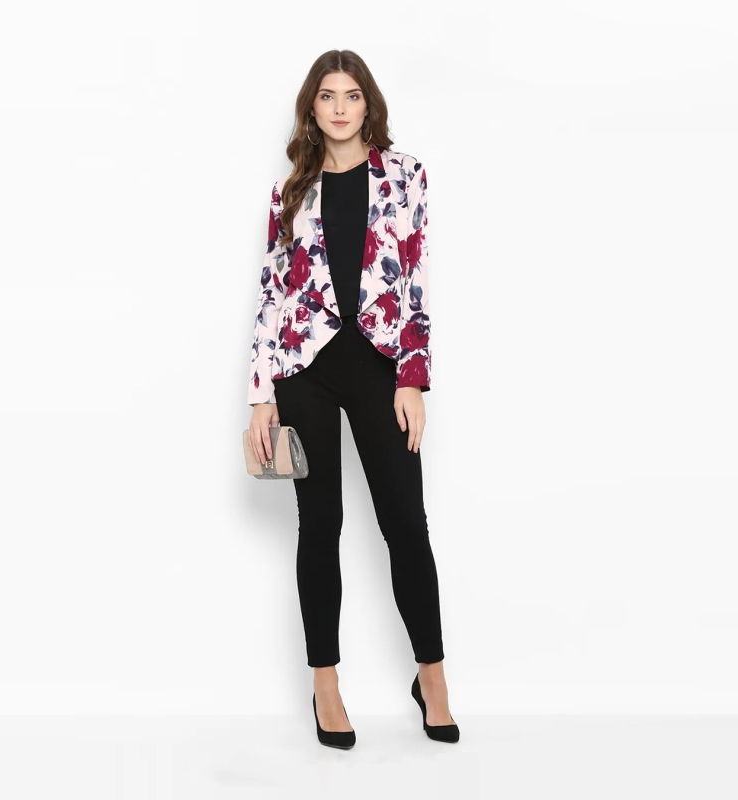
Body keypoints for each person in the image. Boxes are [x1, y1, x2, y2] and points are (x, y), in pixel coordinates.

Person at [245, 50, 459, 748]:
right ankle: (325, 684)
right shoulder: (290, 192)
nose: (340, 108)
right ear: (312, 108)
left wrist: (412, 377)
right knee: (320, 524)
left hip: (378, 367)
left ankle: (432, 678)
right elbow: (273, 294)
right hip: (303, 370)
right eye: (327, 96)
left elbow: (414, 281)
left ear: (369, 104)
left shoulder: (404, 175)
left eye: (353, 95)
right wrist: (261, 396)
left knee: (405, 524)